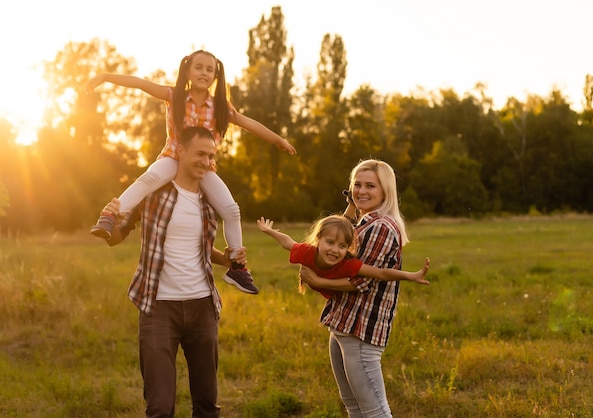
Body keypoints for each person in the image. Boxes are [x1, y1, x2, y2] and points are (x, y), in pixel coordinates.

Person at [87, 49, 297, 295]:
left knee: (231, 210)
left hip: (203, 167)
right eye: (199, 67)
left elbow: (248, 123)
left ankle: (238, 267)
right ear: (187, 70)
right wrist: (105, 76)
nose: (204, 73)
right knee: (148, 179)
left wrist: (277, 140)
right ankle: (112, 216)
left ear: (216, 76)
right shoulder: (174, 95)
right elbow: (141, 84)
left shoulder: (220, 106)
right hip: (172, 158)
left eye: (210, 70)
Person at [102, 126, 241, 417]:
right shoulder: (152, 192)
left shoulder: (209, 199)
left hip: (202, 307)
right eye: (200, 154)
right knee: (160, 406)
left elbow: (201, 249)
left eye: (211, 156)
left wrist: (228, 260)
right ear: (180, 151)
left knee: (207, 404)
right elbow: (116, 238)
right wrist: (110, 221)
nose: (206, 162)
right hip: (158, 308)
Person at [298, 159, 427, 418]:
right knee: (354, 407)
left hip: (361, 329)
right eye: (357, 185)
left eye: (371, 186)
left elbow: (361, 281)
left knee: (374, 411)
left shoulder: (380, 227)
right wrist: (350, 204)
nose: (362, 191)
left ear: (385, 191)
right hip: (344, 323)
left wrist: (318, 281)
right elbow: (339, 233)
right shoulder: (364, 222)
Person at [257, 215, 429, 298]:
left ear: (348, 247)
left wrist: (411, 275)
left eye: (342, 246)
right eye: (330, 242)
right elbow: (287, 242)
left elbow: (381, 273)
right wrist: (269, 231)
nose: (335, 250)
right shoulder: (308, 252)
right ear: (318, 239)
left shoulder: (348, 265)